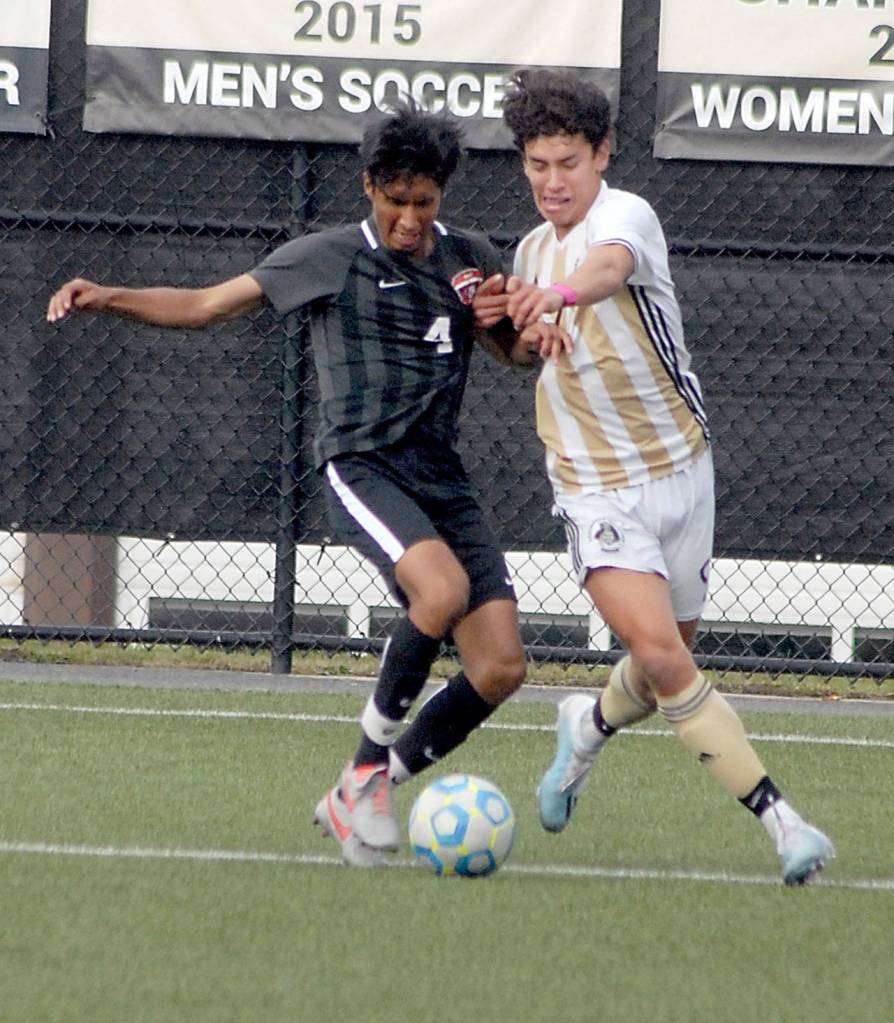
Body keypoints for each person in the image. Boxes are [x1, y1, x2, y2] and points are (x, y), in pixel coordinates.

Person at [47, 101, 539, 868]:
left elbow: (516, 356)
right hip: (363, 464)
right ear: (368, 186)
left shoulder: (469, 257)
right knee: (436, 594)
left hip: (442, 474)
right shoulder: (328, 256)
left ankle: (364, 788)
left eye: (424, 202)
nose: (410, 218)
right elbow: (208, 305)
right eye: (395, 200)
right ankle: (367, 770)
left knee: (502, 665)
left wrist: (508, 326)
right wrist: (105, 294)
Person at [474, 68, 833, 885]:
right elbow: (524, 349)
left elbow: (603, 270)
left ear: (601, 155)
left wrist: (554, 298)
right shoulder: (528, 252)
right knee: (667, 661)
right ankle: (786, 826)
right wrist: (513, 329)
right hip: (592, 483)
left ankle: (586, 727)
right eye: (536, 164)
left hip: (680, 468)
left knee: (663, 658)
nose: (552, 181)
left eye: (567, 161)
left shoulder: (624, 215)